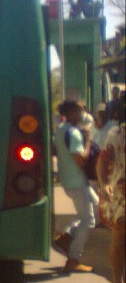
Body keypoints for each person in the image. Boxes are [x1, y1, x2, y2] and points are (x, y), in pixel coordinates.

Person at [52, 100, 99, 273]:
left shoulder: (61, 130)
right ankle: (73, 259)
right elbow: (81, 160)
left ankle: (66, 235)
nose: (83, 114)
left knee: (96, 203)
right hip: (77, 182)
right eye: (80, 110)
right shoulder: (73, 133)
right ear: (71, 112)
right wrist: (87, 140)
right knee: (89, 221)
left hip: (70, 180)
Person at [96, 115, 125, 283]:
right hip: (121, 195)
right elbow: (103, 160)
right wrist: (105, 182)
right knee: (119, 238)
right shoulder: (118, 133)